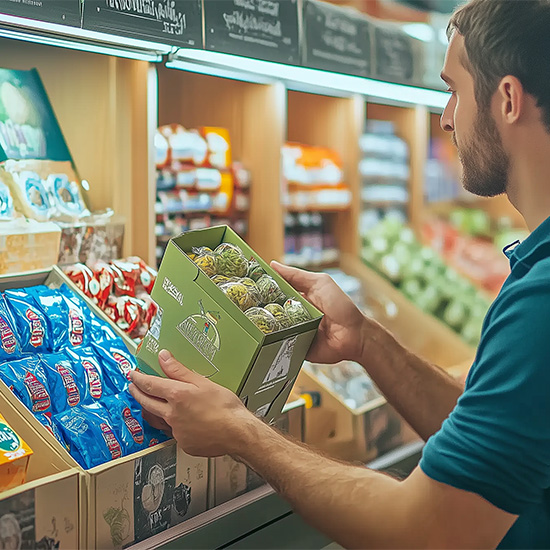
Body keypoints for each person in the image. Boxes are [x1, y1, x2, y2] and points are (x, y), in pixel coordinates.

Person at [129, 0, 550, 547]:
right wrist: (366, 341)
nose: (445, 116)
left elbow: (423, 530)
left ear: (509, 100)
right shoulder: (535, 274)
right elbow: (490, 435)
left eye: (454, 90)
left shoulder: (540, 303)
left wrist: (242, 433)